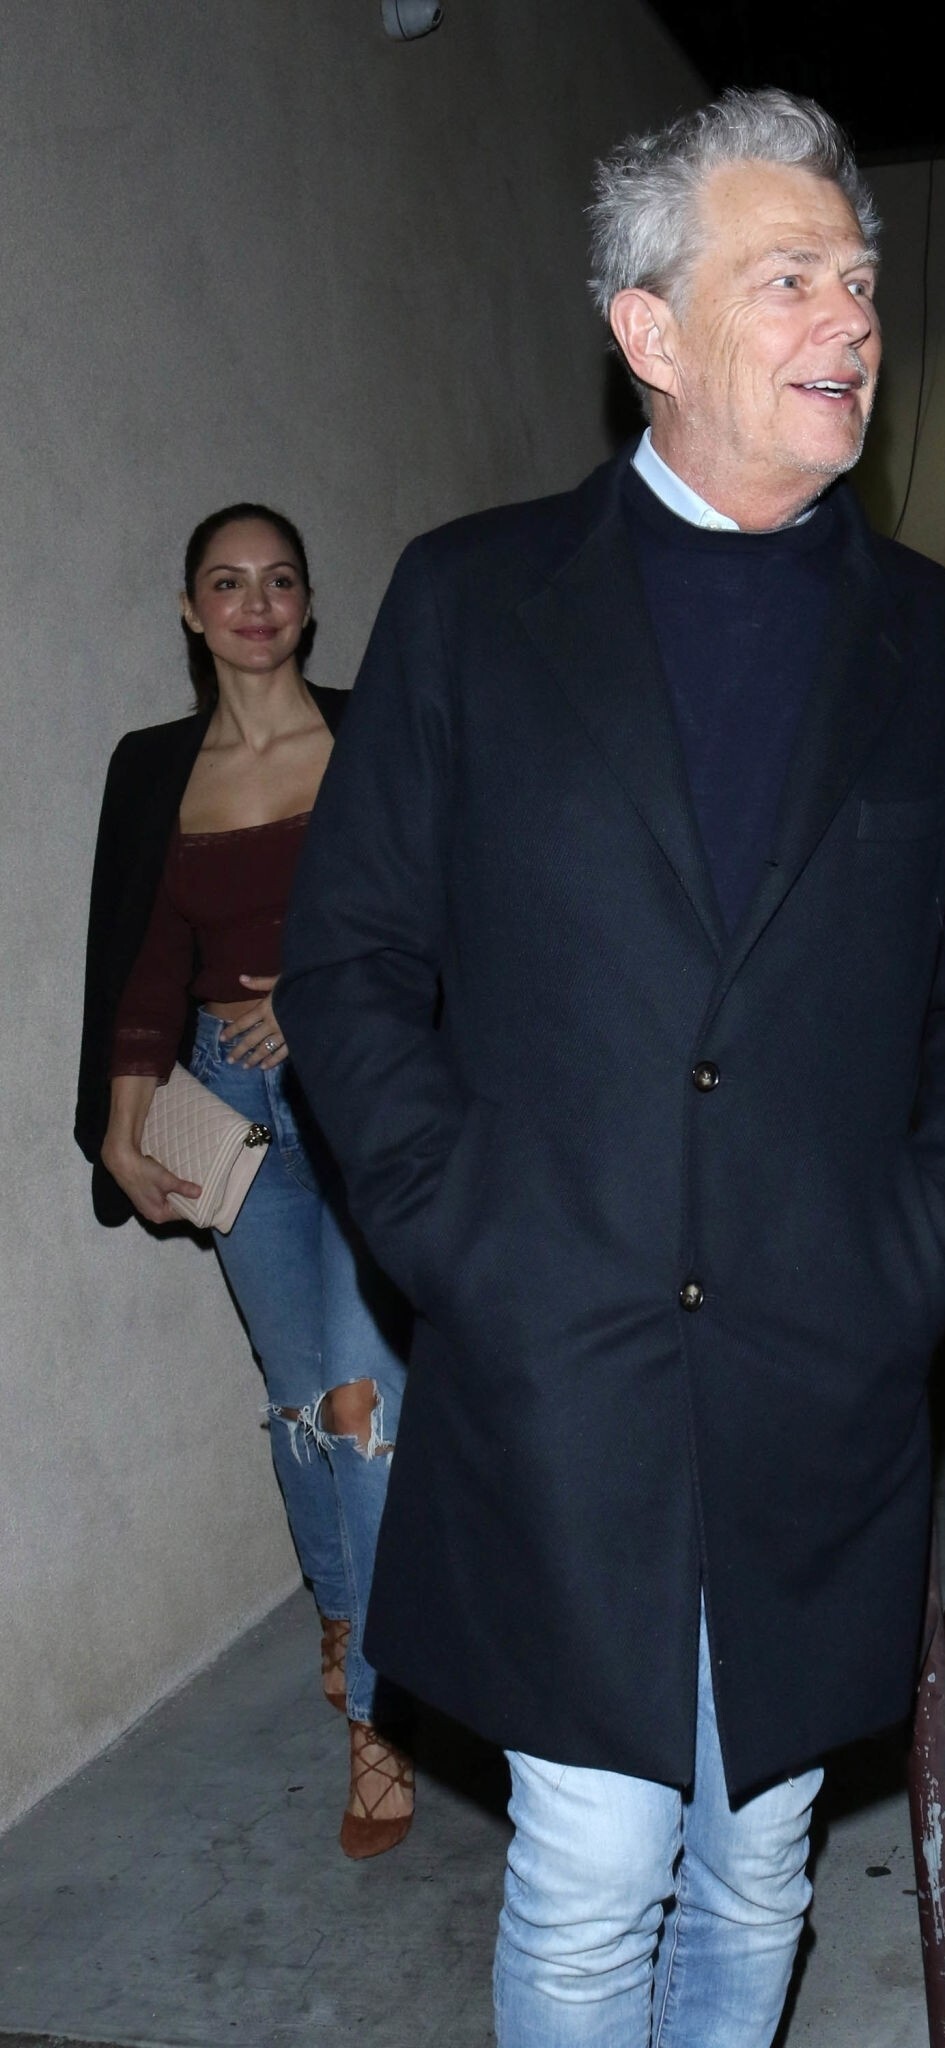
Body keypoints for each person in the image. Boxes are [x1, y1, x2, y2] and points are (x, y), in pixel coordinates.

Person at [280, 87, 945, 2044]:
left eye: (859, 279)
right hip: (558, 1346)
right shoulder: (471, 604)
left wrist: (920, 1240)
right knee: (592, 1865)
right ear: (647, 327)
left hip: (821, 1347)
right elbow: (351, 959)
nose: (851, 316)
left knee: (760, 1856)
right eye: (789, 276)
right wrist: (458, 1230)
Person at [74, 505, 414, 1859]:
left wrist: (323, 994)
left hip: (365, 1096)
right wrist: (123, 1122)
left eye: (278, 580)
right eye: (228, 582)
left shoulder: (372, 737)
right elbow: (145, 950)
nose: (255, 602)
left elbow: (437, 904)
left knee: (363, 1404)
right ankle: (340, 1619)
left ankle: (379, 1709)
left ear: (309, 604)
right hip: (228, 1107)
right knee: (296, 1400)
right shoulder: (155, 768)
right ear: (191, 609)